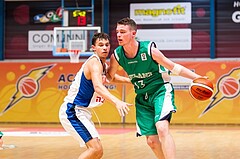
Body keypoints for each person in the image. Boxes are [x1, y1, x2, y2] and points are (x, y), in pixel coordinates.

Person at [107, 17, 203, 159]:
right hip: (142, 98)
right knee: (152, 141)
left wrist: (197, 78)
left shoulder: (149, 49)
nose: (119, 35)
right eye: (117, 32)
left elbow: (173, 67)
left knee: (162, 128)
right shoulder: (116, 56)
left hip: (160, 91)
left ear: (133, 33)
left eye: (123, 32)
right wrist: (99, 76)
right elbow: (110, 77)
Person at [59, 32, 132, 159]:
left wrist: (131, 81)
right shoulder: (94, 63)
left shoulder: (103, 65)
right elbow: (98, 86)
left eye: (107, 45)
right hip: (73, 110)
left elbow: (111, 77)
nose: (105, 48)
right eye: (101, 45)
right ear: (94, 48)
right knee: (95, 149)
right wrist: (117, 101)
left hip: (81, 111)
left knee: (97, 152)